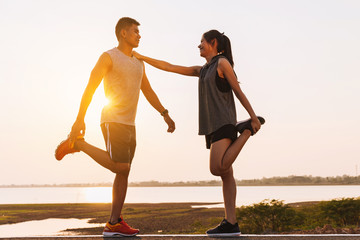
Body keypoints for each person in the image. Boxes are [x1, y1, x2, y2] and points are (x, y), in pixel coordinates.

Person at [132, 29, 265, 236]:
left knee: (217, 168)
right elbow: (170, 67)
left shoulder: (222, 63)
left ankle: (245, 130)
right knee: (226, 173)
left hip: (224, 122)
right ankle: (231, 223)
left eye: (201, 42)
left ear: (212, 42)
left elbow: (237, 90)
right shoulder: (203, 69)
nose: (199, 45)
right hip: (212, 125)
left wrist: (253, 117)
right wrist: (142, 57)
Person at [54, 17, 175, 237]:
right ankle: (79, 144)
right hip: (112, 119)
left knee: (124, 172)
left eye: (139, 32)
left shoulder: (139, 62)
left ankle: (113, 223)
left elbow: (147, 91)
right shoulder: (108, 57)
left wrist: (164, 114)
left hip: (130, 123)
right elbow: (90, 87)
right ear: (123, 34)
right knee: (121, 167)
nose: (139, 35)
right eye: (135, 31)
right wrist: (79, 118)